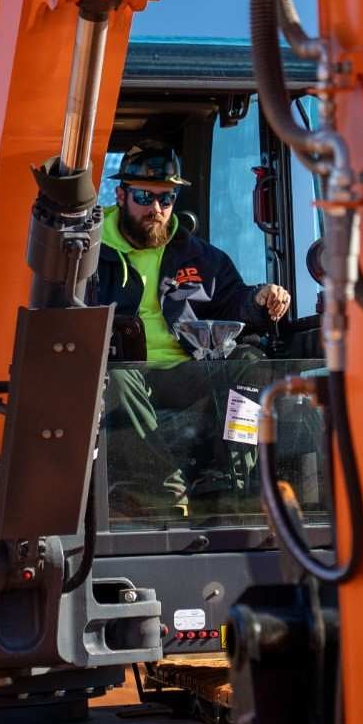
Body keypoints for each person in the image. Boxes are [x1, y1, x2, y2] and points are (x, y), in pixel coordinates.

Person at [89, 140, 291, 517]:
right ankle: (162, 487)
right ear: (120, 194)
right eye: (144, 197)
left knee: (250, 364)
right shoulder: (88, 252)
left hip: (187, 372)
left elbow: (234, 301)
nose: (156, 209)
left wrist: (261, 298)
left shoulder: (200, 256)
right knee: (114, 377)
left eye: (166, 200)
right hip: (126, 374)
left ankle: (233, 476)